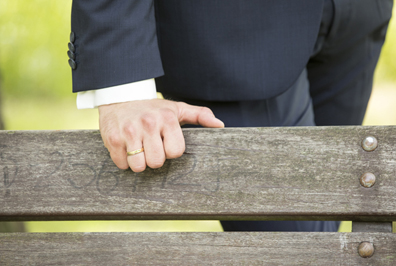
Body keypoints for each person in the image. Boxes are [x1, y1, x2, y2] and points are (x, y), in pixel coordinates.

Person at [69, 0, 393, 232]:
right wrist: (122, 85)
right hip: (229, 33)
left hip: (360, 20)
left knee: (328, 217)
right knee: (300, 245)